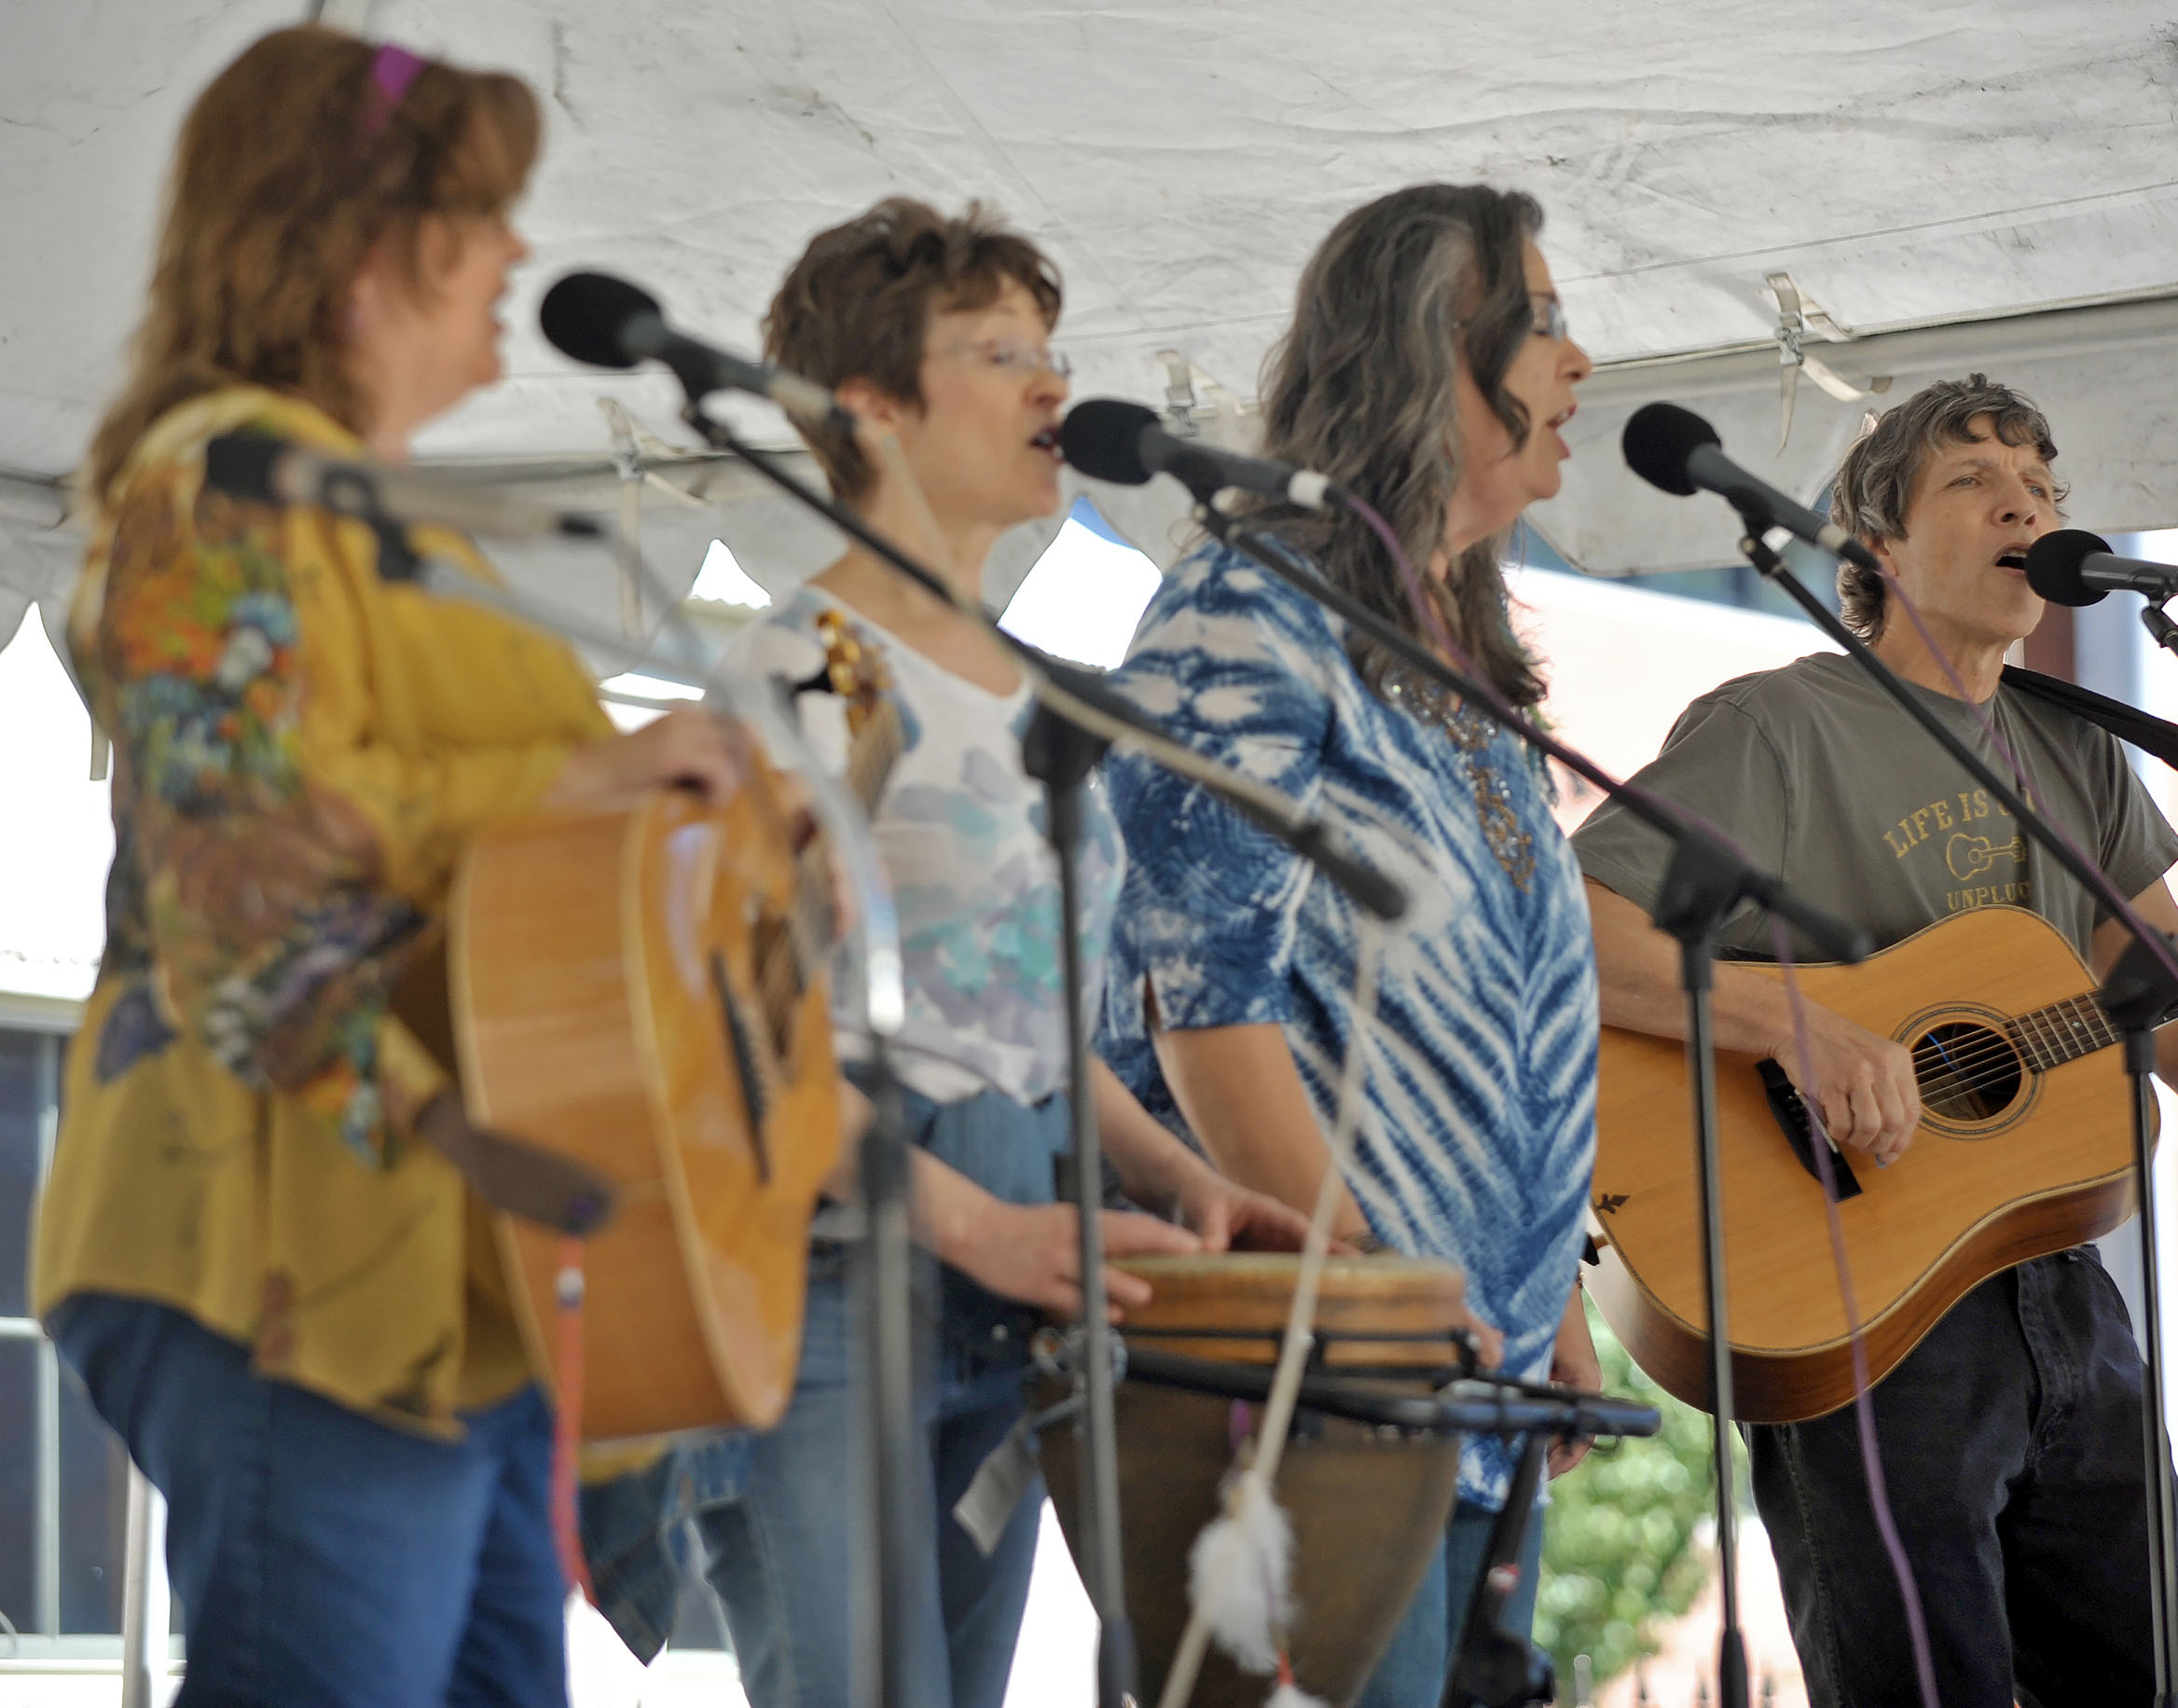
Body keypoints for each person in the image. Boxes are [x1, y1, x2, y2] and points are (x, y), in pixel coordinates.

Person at [1567, 375, 2178, 1706]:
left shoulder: (2081, 760)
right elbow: (1569, 931)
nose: (2028, 504)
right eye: (1975, 480)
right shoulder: (1780, 727)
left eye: (2045, 490)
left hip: (2067, 1296)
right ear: (1875, 543)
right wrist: (1799, 1022)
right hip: (1858, 1296)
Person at [30, 27, 759, 1706]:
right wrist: (585, 772)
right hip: (281, 1232)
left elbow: (543, 868)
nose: (517, 252)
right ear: (356, 237)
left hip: (453, 1265)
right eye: (481, 212)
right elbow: (248, 856)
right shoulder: (215, 483)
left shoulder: (396, 523)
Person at [577, 197, 1314, 1708]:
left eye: (1050, 349)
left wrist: (1183, 1181)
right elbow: (733, 1029)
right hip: (831, 1294)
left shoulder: (1038, 687)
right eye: (999, 352)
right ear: (872, 409)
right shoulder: (810, 668)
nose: (1054, 387)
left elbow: (1019, 1022)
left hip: (1010, 1296)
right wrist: (978, 1226)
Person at [1096, 182, 1605, 1705]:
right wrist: (1371, 1293)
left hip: (1457, 1375)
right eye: (1548, 321)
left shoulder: (1477, 660)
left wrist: (1550, 1306)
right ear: (1431, 354)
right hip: (1310, 1377)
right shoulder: (1248, 610)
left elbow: (1508, 1015)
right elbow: (1202, 1004)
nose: (1582, 365)